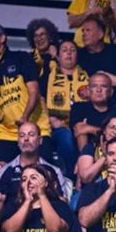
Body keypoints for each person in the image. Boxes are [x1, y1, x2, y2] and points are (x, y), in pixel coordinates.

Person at [0, 22, 51, 161]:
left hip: (36, 128)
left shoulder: (21, 58)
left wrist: (25, 116)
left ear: (2, 38)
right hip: (8, 133)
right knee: (0, 171)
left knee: (41, 171)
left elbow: (34, 91)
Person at [40, 39, 86, 172]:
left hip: (81, 123)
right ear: (58, 56)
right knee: (65, 135)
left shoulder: (86, 74)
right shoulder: (49, 75)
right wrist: (50, 119)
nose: (69, 53)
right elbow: (40, 99)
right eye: (64, 50)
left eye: (72, 50)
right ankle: (69, 175)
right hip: (56, 126)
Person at [0, 121, 68, 204]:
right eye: (22, 135)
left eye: (31, 135)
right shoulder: (5, 170)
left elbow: (63, 204)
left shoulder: (53, 171)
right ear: (18, 141)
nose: (26, 139)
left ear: (40, 140)